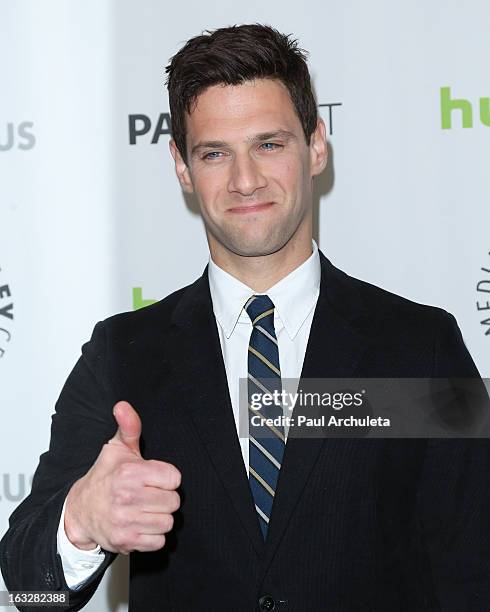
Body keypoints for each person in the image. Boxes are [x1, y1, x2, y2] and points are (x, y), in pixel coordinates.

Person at [1, 23, 489, 612]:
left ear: (316, 145)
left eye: (269, 144)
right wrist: (79, 521)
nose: (245, 180)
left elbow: (473, 568)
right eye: (215, 153)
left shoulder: (421, 347)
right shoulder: (123, 353)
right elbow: (30, 592)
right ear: (182, 167)